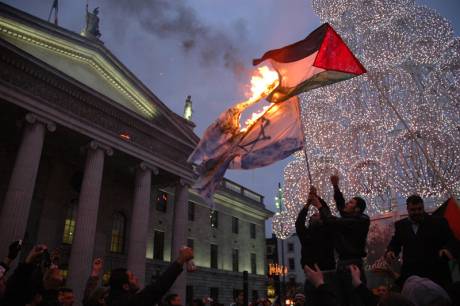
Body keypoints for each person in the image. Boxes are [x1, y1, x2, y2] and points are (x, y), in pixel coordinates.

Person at [310, 175, 370, 306]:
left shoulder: (360, 220)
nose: (347, 204)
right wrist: (333, 188)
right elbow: (340, 205)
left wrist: (319, 205)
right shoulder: (352, 218)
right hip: (342, 265)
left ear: (357, 209)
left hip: (352, 265)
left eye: (351, 203)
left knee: (354, 300)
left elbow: (331, 220)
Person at [385, 195, 456, 289]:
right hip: (411, 275)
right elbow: (395, 243)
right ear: (408, 209)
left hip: (436, 273)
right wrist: (391, 251)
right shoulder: (401, 225)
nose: (417, 212)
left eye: (419, 209)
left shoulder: (439, 222)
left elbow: (451, 240)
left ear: (423, 207)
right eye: (413, 210)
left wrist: (447, 249)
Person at [106, 246, 193, 306]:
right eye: (132, 277)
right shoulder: (127, 303)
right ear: (125, 286)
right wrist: (181, 260)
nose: (136, 278)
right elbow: (157, 288)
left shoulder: (114, 299)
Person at [295, 187, 335, 305]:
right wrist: (307, 204)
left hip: (327, 272)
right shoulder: (306, 233)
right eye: (313, 215)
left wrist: (317, 199)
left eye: (318, 214)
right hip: (311, 275)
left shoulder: (328, 230)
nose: (315, 214)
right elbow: (299, 222)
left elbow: (326, 212)